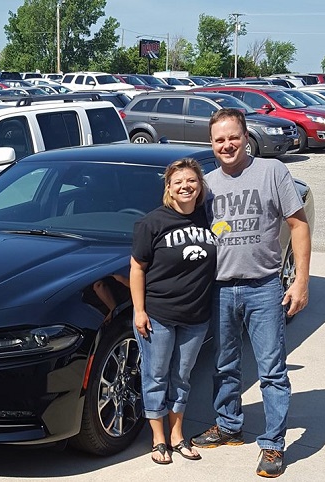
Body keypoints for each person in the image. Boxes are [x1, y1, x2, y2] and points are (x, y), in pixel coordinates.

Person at [191, 108, 311, 478]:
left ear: (246, 137)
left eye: (233, 137)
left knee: (272, 370)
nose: (226, 145)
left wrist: (301, 281)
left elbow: (298, 225)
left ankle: (273, 444)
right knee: (225, 365)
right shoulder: (207, 184)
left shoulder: (271, 171)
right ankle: (228, 425)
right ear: (210, 144)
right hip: (221, 288)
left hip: (263, 287)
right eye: (218, 140)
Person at [130, 158, 217, 464]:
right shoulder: (152, 223)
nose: (185, 186)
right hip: (158, 316)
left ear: (200, 185)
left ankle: (177, 435)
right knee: (155, 376)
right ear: (168, 187)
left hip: (196, 316)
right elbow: (137, 268)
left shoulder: (210, 218)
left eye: (191, 181)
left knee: (181, 377)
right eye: (178, 182)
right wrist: (139, 311)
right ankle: (158, 439)